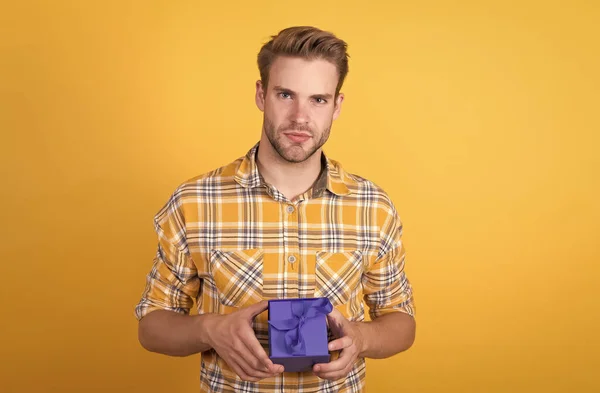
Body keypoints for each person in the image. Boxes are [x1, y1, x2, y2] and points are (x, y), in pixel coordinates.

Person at [135, 25, 416, 393]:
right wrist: (210, 329)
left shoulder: (373, 206)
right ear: (261, 94)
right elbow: (151, 326)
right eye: (286, 94)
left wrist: (360, 339)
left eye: (318, 99)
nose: (301, 117)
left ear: (337, 106)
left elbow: (401, 321)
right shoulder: (194, 201)